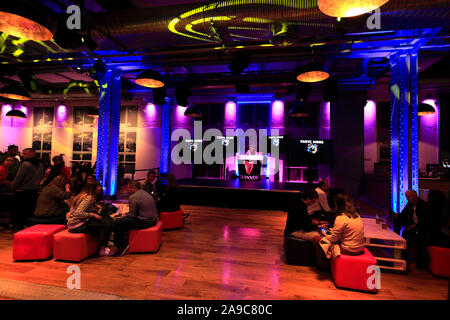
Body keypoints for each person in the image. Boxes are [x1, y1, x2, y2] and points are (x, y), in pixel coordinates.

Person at [112, 180, 159, 256]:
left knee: (118, 222)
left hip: (146, 222)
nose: (127, 190)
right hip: (153, 220)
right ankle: (124, 241)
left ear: (133, 188)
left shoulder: (133, 197)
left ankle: (119, 247)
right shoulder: (145, 193)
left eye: (128, 188)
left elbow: (132, 216)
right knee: (123, 221)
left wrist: (123, 216)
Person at [67, 182, 114, 256]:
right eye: (97, 186)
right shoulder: (88, 198)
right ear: (92, 188)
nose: (100, 188)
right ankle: (103, 247)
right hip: (77, 226)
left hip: (73, 224)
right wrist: (93, 215)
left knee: (104, 218)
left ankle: (104, 241)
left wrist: (95, 206)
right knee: (108, 223)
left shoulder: (83, 195)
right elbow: (78, 213)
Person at [10, 148, 44, 230]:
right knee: (30, 210)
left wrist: (13, 186)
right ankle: (28, 226)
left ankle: (18, 226)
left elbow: (19, 177)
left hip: (22, 191)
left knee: (19, 210)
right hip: (34, 191)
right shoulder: (40, 165)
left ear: (31, 154)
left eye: (24, 153)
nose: (22, 155)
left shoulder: (25, 164)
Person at [392, 189, 428, 267]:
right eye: (407, 197)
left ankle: (420, 262)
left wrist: (415, 226)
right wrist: (396, 216)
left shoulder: (424, 205)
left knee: (414, 235)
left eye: (408, 197)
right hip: (413, 228)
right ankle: (404, 259)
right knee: (404, 231)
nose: (407, 199)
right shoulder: (409, 204)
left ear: (415, 196)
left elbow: (425, 221)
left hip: (422, 228)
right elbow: (403, 215)